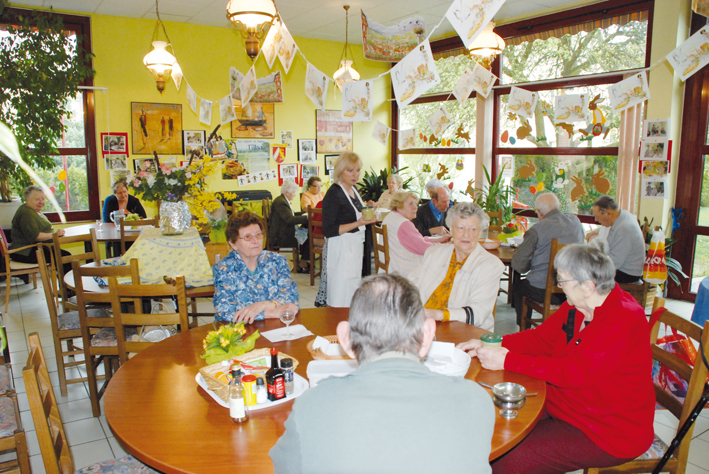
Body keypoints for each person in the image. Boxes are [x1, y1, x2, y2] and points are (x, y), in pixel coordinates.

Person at [457, 241, 655, 474]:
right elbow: (541, 339)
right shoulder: (578, 306)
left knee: (508, 460)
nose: (559, 286)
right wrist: (494, 342)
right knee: (490, 426)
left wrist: (507, 360)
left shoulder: (623, 319)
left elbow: (574, 373)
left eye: (562, 280)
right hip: (565, 405)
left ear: (588, 287)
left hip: (606, 430)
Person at [270, 274, 495, 474]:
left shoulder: (313, 405)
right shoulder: (476, 400)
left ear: (345, 339)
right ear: (428, 335)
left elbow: (283, 467)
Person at [409, 202, 504, 331]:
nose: (466, 234)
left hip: (465, 332)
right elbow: (411, 285)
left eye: (473, 229)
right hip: (423, 326)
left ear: (480, 232)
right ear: (451, 229)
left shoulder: (491, 265)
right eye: (460, 228)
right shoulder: (434, 253)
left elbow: (478, 312)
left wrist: (440, 314)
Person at [212, 211, 299, 323]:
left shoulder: (277, 261)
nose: (255, 241)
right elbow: (227, 311)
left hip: (274, 327)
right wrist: (270, 312)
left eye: (258, 235)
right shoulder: (224, 269)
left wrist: (262, 305)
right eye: (248, 237)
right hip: (238, 332)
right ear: (233, 244)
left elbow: (291, 299)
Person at [511, 193, 584, 325]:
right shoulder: (576, 222)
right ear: (559, 206)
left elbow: (519, 265)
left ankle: (524, 327)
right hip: (573, 288)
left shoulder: (537, 229)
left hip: (543, 291)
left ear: (538, 212)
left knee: (519, 286)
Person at [322, 152, 377, 307]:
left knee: (352, 287)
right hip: (341, 247)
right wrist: (358, 223)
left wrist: (369, 210)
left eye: (358, 170)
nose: (355, 175)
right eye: (350, 170)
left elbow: (353, 215)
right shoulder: (334, 194)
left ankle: (349, 318)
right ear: (340, 171)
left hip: (354, 246)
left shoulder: (353, 190)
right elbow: (329, 229)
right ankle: (336, 320)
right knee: (340, 289)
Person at [381, 190, 449, 277]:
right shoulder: (404, 224)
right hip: (406, 270)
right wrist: (443, 246)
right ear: (399, 206)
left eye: (415, 204)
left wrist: (438, 239)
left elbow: (415, 240)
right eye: (410, 204)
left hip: (393, 265)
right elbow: (424, 248)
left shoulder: (390, 217)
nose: (415, 207)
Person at [9, 186, 71, 271]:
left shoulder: (34, 211)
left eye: (43, 199)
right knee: (65, 258)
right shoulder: (26, 213)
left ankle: (64, 282)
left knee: (65, 256)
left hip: (34, 248)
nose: (41, 202)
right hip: (24, 252)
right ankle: (66, 283)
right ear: (27, 200)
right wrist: (55, 234)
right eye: (37, 199)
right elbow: (36, 236)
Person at [588, 195, 646, 283]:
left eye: (597, 216)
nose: (596, 219)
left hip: (627, 273)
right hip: (620, 268)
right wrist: (596, 231)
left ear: (608, 213)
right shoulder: (622, 215)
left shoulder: (625, 228)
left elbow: (614, 263)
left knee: (584, 277)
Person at [270, 180, 309, 273]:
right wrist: (307, 218)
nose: (295, 195)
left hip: (283, 231)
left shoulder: (282, 200)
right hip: (281, 236)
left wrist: (304, 214)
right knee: (308, 237)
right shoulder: (281, 202)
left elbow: (291, 215)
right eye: (293, 192)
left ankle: (302, 261)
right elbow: (290, 219)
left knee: (306, 234)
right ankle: (302, 263)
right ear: (287, 193)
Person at [102, 179, 147, 256]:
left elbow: (143, 217)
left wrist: (131, 215)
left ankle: (133, 262)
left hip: (132, 233)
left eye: (124, 192)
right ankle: (119, 264)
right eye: (119, 193)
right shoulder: (109, 201)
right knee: (118, 241)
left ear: (127, 190)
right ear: (114, 194)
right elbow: (107, 220)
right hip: (116, 234)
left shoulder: (134, 201)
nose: (123, 195)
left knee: (135, 242)